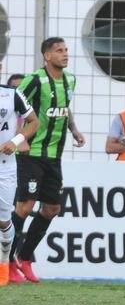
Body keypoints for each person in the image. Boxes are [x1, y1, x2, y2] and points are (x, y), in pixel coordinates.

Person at [11, 37, 86, 283]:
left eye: (66, 50)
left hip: (54, 155)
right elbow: (13, 106)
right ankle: (8, 260)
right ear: (47, 56)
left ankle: (24, 256)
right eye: (59, 51)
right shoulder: (34, 80)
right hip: (31, 153)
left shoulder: (70, 80)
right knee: (25, 206)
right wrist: (18, 138)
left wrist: (74, 129)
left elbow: (64, 107)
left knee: (52, 208)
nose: (65, 54)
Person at [0, 75, 38, 285]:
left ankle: (4, 259)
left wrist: (15, 141)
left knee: (4, 221)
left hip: (5, 168)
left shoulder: (12, 95)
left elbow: (34, 121)